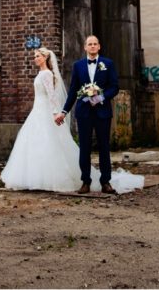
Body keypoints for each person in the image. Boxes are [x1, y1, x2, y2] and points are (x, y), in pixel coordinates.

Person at [0, 46, 142, 194]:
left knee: (54, 142)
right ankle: (35, 178)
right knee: (38, 143)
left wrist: (57, 112)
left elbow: (52, 95)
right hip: (39, 110)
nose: (35, 58)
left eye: (37, 56)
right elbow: (69, 91)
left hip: (56, 111)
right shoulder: (44, 73)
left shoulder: (47, 74)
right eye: (35, 56)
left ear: (45, 58)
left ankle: (99, 181)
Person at [54, 35, 126, 194]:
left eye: (95, 44)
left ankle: (105, 182)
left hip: (102, 112)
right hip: (83, 112)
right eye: (89, 44)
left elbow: (114, 87)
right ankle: (85, 182)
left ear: (99, 47)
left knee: (104, 147)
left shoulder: (108, 64)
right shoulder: (77, 66)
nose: (92, 46)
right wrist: (64, 111)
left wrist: (101, 97)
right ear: (85, 47)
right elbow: (73, 91)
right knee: (84, 147)